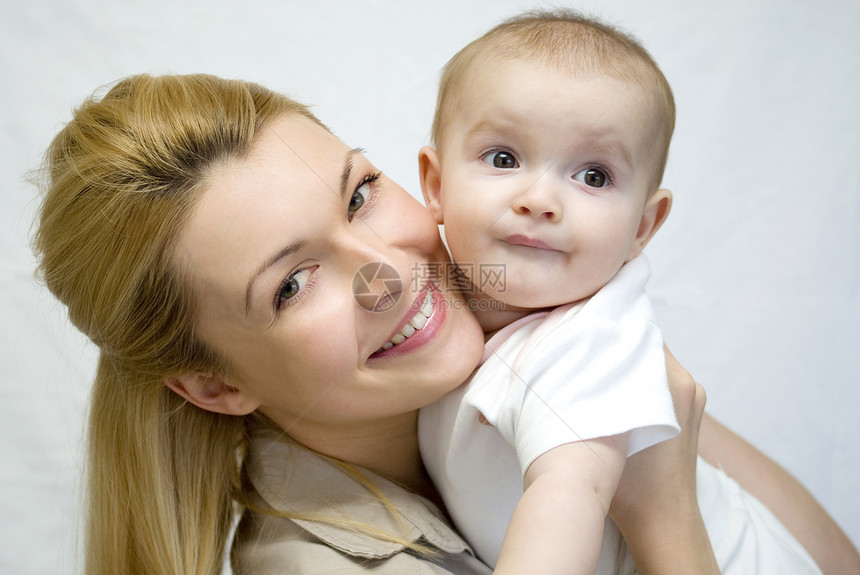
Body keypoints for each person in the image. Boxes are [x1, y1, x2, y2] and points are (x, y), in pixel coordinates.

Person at [32, 73, 852, 575]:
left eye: (359, 194)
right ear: (216, 383)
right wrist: (667, 518)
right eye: (294, 282)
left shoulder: (519, 316)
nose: (389, 270)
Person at [417, 10, 860, 575]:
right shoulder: (441, 314)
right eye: (503, 159)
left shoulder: (588, 343)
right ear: (435, 185)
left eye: (593, 176)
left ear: (643, 228)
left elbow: (568, 495)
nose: (540, 198)